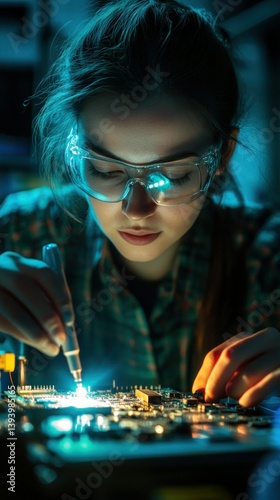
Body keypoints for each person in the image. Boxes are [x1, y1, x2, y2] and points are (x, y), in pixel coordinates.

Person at [0, 0, 279, 406]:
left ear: (224, 157)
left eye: (172, 175)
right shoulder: (17, 232)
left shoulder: (268, 260)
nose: (136, 209)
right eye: (107, 171)